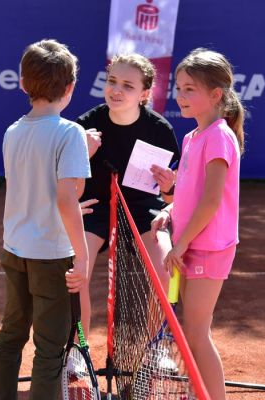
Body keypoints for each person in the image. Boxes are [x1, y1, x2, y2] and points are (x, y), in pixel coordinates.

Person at [0, 39, 90, 400]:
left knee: (10, 336)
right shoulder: (70, 133)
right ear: (70, 88)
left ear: (22, 84)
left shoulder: (12, 132)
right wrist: (83, 254)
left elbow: (39, 190)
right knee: (49, 349)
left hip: (15, 249)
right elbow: (66, 196)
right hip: (52, 255)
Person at [150, 48, 245, 400]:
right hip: (189, 242)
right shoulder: (192, 137)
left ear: (215, 95)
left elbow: (212, 200)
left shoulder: (220, 136)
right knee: (190, 331)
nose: (180, 95)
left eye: (190, 89)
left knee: (197, 332)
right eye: (179, 87)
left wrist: (181, 243)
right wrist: (169, 211)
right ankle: (198, 393)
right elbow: (189, 196)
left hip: (207, 247)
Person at [75, 53, 180, 338]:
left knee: (166, 268)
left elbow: (172, 199)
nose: (116, 90)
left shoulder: (160, 130)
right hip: (96, 207)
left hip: (143, 207)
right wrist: (82, 154)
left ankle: (156, 347)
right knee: (75, 271)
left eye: (128, 85)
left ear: (145, 93)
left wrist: (169, 186)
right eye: (112, 81)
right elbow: (66, 185)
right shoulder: (84, 126)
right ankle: (76, 349)